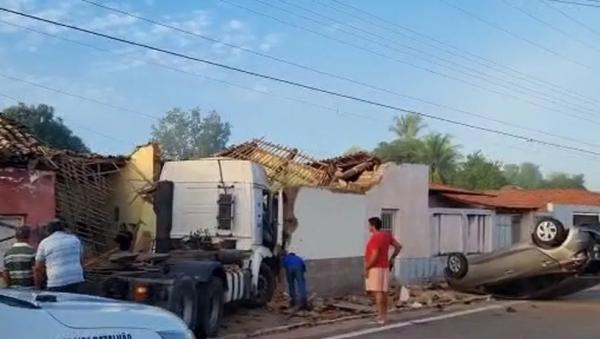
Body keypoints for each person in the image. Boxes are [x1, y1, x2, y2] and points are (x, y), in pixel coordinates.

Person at [364, 217, 402, 324]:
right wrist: (392, 258)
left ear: (372, 226)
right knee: (383, 292)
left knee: (378, 292)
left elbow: (374, 255)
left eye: (369, 225)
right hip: (384, 267)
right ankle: (384, 316)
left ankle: (380, 317)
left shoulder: (375, 238)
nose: (368, 227)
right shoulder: (387, 235)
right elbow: (398, 246)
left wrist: (367, 267)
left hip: (375, 268)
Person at [34, 219, 84, 293]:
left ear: (48, 231)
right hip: (76, 279)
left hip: (56, 281)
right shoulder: (75, 239)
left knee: (58, 304)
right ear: (63, 229)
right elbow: (81, 260)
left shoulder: (44, 243)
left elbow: (38, 268)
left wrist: (38, 286)